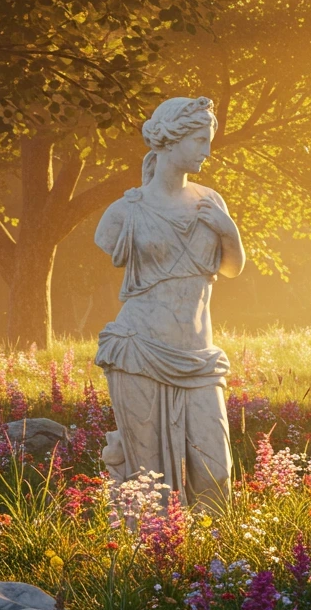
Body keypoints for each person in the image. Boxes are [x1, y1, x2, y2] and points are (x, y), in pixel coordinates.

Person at [93, 96, 246, 516]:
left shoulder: (210, 202)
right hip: (139, 349)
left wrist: (229, 232)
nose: (207, 151)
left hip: (198, 356)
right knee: (148, 480)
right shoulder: (125, 212)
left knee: (216, 473)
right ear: (171, 139)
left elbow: (231, 268)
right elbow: (106, 241)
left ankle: (214, 553)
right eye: (200, 140)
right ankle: (148, 552)